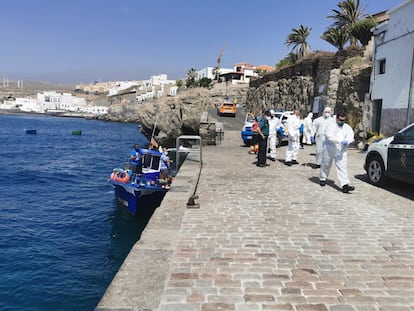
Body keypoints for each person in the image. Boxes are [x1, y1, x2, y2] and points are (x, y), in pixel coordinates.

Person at [319, 108, 355, 193]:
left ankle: (345, 185)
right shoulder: (330, 125)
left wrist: (348, 141)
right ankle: (323, 178)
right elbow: (329, 136)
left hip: (341, 150)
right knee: (326, 164)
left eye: (343, 120)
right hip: (329, 148)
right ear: (337, 118)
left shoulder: (346, 127)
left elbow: (351, 136)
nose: (342, 122)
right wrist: (339, 141)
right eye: (340, 120)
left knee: (342, 167)